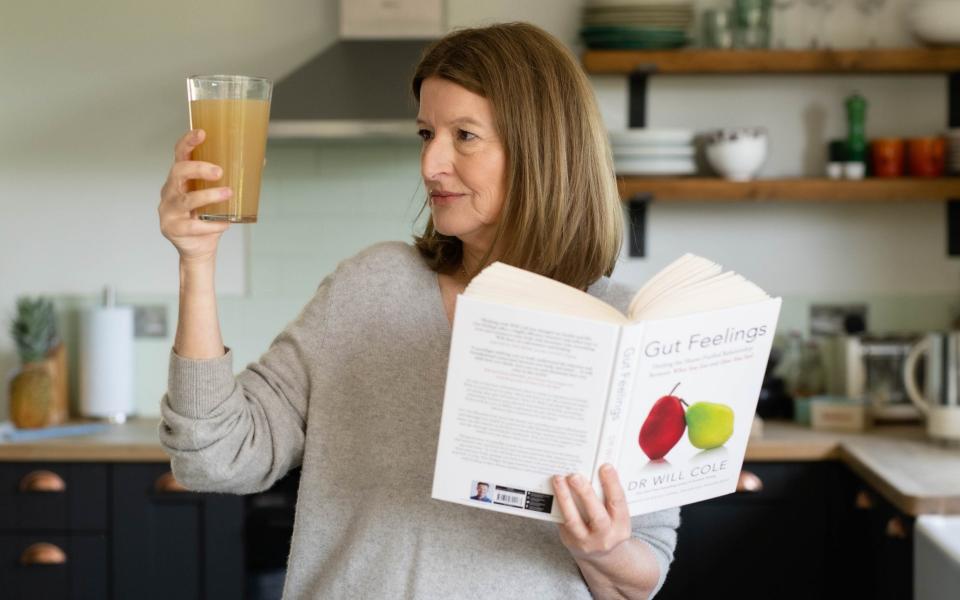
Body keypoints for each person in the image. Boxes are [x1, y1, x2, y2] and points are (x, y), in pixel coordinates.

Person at [157, 21, 679, 599]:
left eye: (465, 136)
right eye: (426, 133)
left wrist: (602, 549)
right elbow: (214, 456)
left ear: (540, 148)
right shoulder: (371, 287)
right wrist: (196, 263)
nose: (431, 163)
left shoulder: (620, 328)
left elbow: (637, 582)